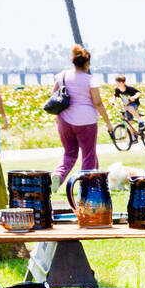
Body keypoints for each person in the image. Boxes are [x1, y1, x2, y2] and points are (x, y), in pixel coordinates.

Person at [52, 45, 111, 190]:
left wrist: (57, 119)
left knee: (70, 152)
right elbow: (97, 102)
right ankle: (87, 188)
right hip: (86, 121)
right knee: (88, 154)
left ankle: (58, 176)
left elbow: (53, 97)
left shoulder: (62, 76)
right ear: (87, 63)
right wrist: (108, 122)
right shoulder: (90, 79)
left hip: (64, 120)